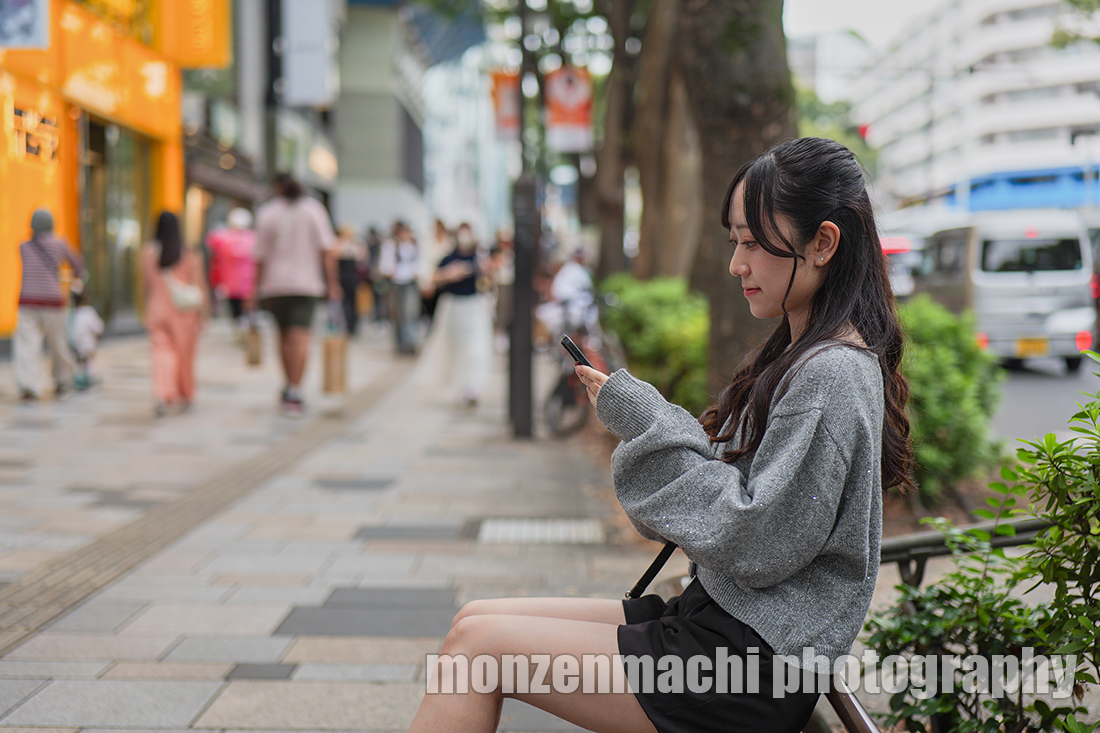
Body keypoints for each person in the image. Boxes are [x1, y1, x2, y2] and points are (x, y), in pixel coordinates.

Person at [408, 137, 913, 733]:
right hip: (726, 628)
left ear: (823, 243)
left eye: (753, 243)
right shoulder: (806, 355)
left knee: (477, 654)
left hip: (748, 666)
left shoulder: (831, 372)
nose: (737, 265)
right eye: (735, 241)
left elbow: (758, 537)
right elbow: (735, 492)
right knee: (472, 622)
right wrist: (642, 417)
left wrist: (647, 421)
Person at [252, 173, 341, 417]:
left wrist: (254, 290)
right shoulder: (314, 210)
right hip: (307, 284)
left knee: (283, 337)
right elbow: (327, 251)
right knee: (301, 338)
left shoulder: (267, 212)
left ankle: (289, 384)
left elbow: (259, 257)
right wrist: (332, 284)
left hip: (274, 285)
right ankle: (295, 388)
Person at [412, 222, 493, 407]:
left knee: (475, 349)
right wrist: (447, 275)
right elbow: (431, 281)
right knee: (455, 348)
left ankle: (472, 387)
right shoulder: (448, 258)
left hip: (474, 307)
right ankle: (461, 385)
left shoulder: (478, 257)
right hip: (452, 307)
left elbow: (487, 280)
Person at [14, 208, 85, 402]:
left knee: (27, 344)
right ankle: (62, 381)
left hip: (27, 300)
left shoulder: (23, 246)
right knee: (58, 342)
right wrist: (74, 279)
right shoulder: (60, 243)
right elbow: (78, 264)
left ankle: (28, 385)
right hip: (53, 301)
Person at [141, 211, 208, 417]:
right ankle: (186, 394)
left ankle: (163, 395)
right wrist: (204, 313)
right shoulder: (189, 253)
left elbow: (146, 285)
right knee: (184, 355)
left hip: (157, 309)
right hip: (184, 312)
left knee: (161, 353)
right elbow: (198, 284)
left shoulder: (148, 252)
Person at [206, 207, 256, 335]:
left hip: (231, 282)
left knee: (235, 308)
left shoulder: (223, 238)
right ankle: (243, 327)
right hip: (246, 284)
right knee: (244, 308)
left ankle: (239, 328)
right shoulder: (253, 239)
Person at [377, 220, 421, 355]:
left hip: (410, 282)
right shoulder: (390, 245)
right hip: (396, 283)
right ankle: (400, 343)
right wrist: (391, 271)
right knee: (398, 314)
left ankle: (410, 342)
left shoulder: (414, 245)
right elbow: (384, 266)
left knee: (410, 312)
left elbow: (420, 263)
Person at [334, 224, 368, 336]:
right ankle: (349, 325)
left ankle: (350, 325)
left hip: (347, 277)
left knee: (350, 303)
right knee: (348, 303)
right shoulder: (348, 245)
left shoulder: (342, 245)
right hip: (348, 277)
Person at [70, 286, 104, 390]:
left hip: (74, 345)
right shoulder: (89, 311)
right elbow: (98, 328)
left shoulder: (71, 313)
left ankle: (78, 375)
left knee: (77, 362)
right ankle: (89, 375)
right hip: (88, 345)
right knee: (89, 360)